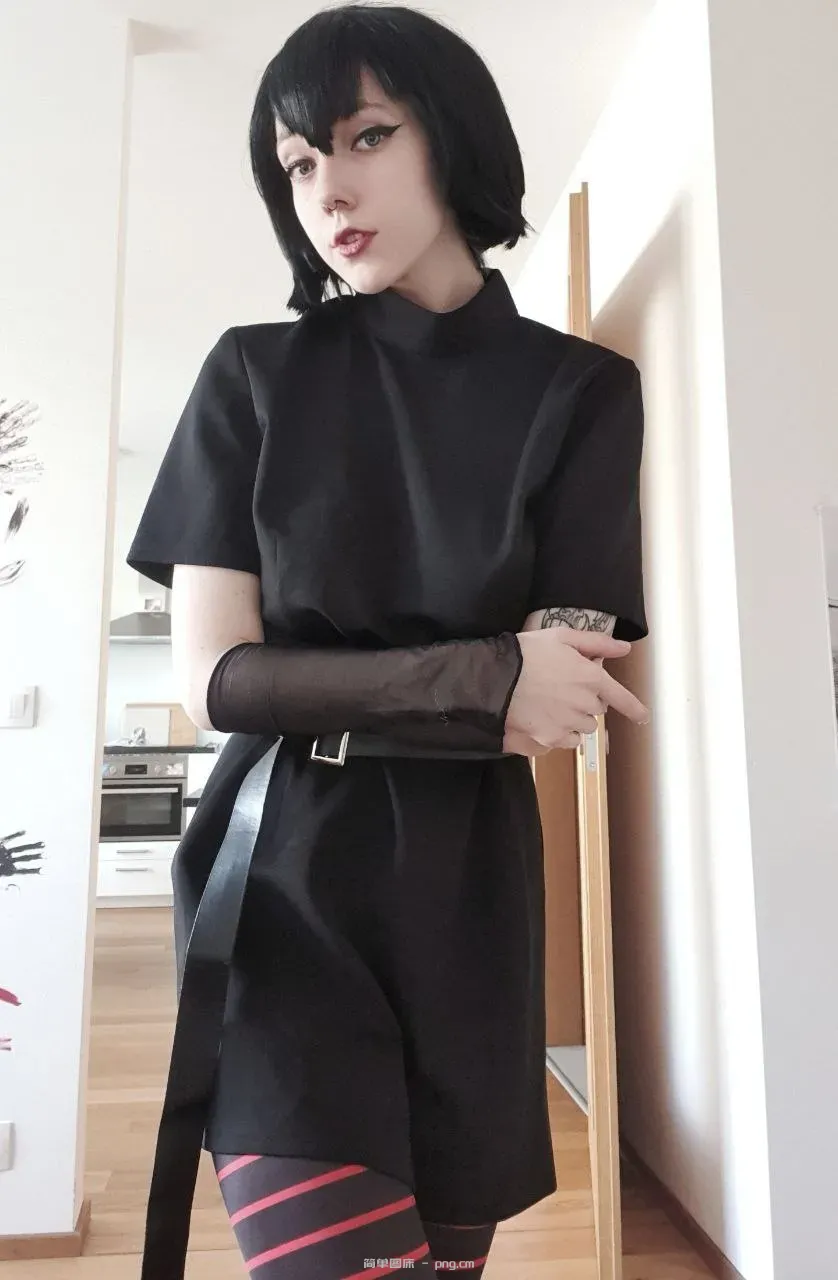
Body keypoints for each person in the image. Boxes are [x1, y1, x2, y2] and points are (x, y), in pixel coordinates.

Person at [126, 5, 651, 1277]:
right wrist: (479, 673)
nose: (327, 189)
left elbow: (560, 687)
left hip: (469, 893)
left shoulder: (583, 391)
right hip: (285, 881)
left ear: (450, 135)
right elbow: (216, 681)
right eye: (298, 162)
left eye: (366, 136)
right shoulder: (251, 376)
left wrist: (473, 682)